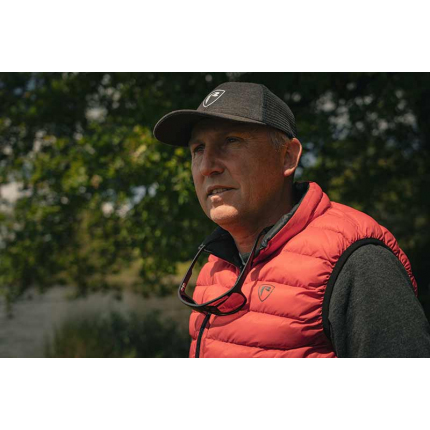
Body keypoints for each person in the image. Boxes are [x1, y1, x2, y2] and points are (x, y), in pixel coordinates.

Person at [153, 81, 430, 358]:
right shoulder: (214, 268)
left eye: (231, 141)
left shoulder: (358, 261)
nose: (207, 167)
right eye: (198, 149)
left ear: (287, 157)